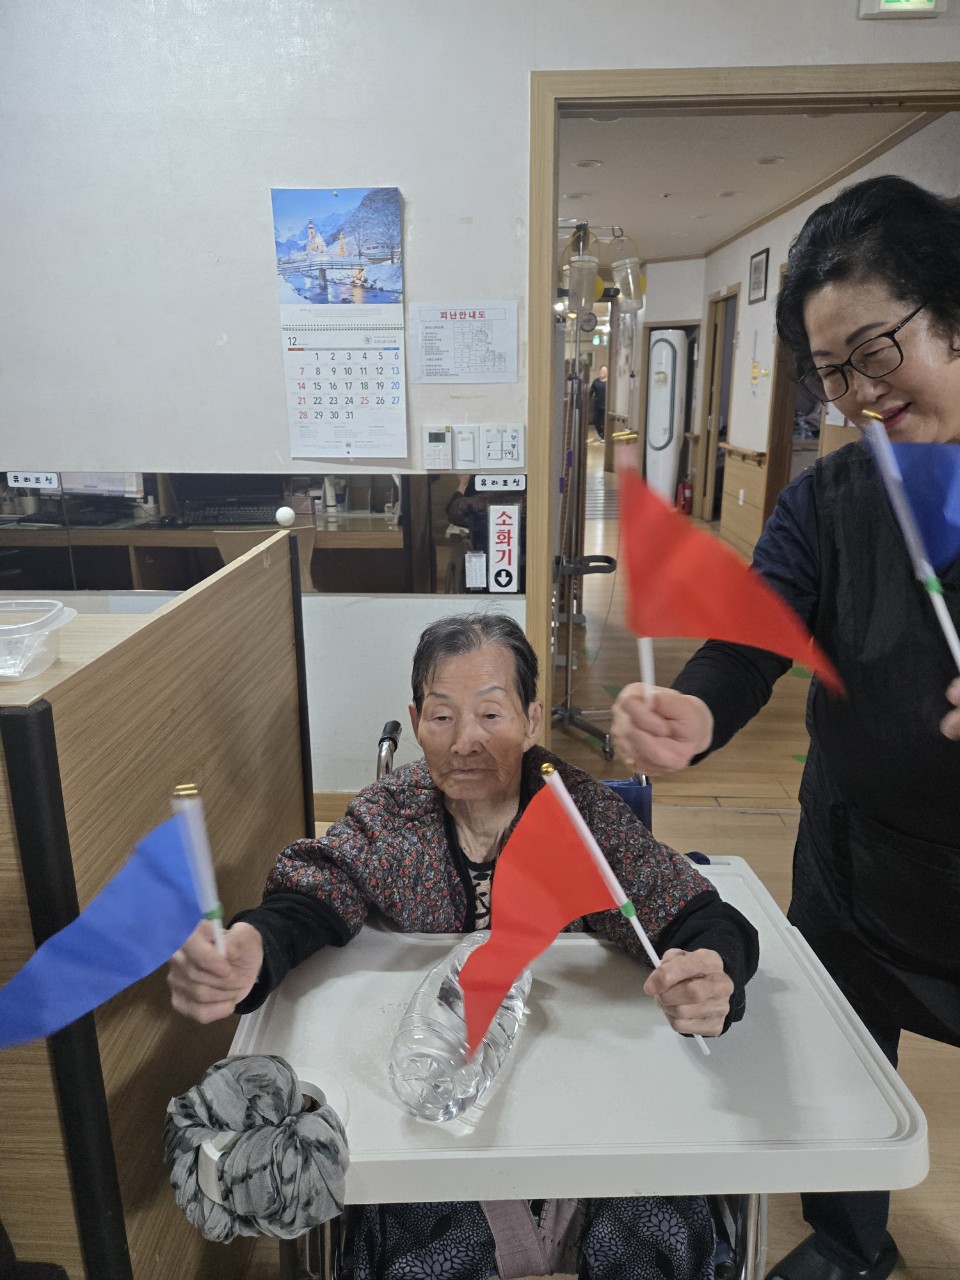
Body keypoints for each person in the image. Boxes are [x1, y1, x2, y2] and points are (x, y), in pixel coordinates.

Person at [169, 611, 759, 1280]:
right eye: (442, 716)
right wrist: (255, 944)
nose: (465, 741)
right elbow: (315, 895)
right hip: (435, 1116)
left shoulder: (577, 814)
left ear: (531, 720)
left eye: (491, 714)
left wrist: (712, 970)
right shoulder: (392, 815)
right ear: (415, 720)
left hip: (588, 1115)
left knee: (660, 1236)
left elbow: (695, 914)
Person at [611, 174, 960, 1280]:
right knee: (842, 1052)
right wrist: (695, 709)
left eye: (875, 351)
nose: (857, 394)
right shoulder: (832, 499)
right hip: (855, 857)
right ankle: (851, 1242)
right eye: (831, 372)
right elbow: (752, 637)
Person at [589, 364, 608, 440]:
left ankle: (604, 436)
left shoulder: (609, 382)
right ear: (600, 371)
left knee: (604, 422)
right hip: (597, 405)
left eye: (605, 371)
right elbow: (590, 392)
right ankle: (601, 434)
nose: (603, 372)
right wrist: (587, 401)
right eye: (602, 370)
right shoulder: (595, 382)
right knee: (595, 420)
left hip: (606, 406)